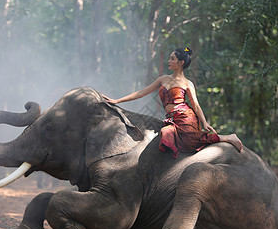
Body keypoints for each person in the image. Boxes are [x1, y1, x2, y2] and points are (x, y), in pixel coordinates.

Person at [103, 47, 243, 159]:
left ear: (181, 63)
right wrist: (117, 100)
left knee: (189, 141)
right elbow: (141, 93)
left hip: (185, 116)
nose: (169, 61)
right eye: (169, 58)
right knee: (165, 135)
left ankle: (227, 137)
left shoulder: (188, 83)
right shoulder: (163, 79)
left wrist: (204, 123)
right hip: (171, 118)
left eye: (172, 58)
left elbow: (196, 105)